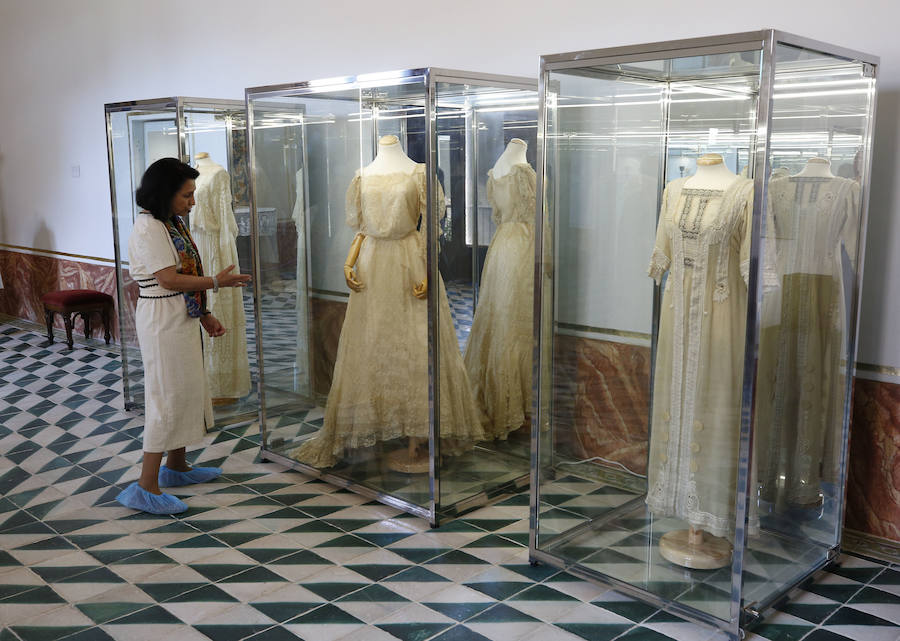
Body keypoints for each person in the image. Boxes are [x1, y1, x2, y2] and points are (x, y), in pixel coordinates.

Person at [117, 157, 250, 514]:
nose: (192, 202)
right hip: (162, 316)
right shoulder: (148, 227)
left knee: (186, 390)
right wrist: (217, 283)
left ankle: (176, 466)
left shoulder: (171, 221)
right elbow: (169, 279)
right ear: (165, 193)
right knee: (166, 395)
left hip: (180, 312)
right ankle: (146, 486)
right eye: (187, 195)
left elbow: (185, 270)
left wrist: (204, 313)